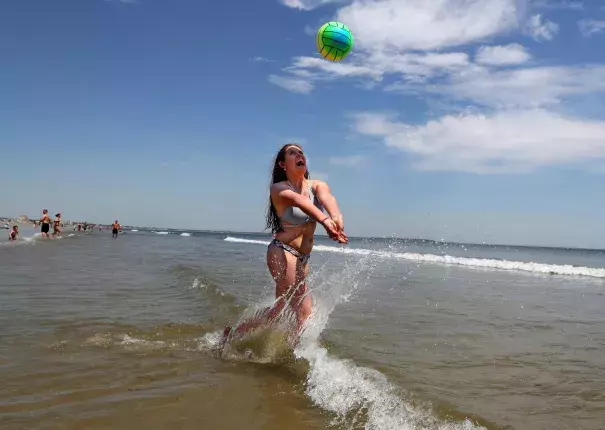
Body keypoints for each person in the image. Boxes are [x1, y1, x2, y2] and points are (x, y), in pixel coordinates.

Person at [224, 143, 348, 343]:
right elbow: (302, 203)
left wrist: (336, 217)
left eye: (301, 152)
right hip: (283, 252)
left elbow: (327, 199)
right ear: (283, 164)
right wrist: (325, 222)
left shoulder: (317, 185)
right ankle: (286, 349)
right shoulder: (279, 189)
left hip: (303, 259)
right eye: (293, 152)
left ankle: (247, 337)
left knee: (295, 313)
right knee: (292, 309)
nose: (299, 155)